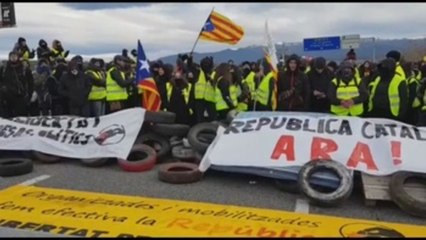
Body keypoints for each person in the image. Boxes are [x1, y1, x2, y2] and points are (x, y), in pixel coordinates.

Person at [0, 51, 33, 118]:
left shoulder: (24, 68)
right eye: (12, 56)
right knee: (5, 116)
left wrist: (30, 94)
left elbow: (30, 82)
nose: (13, 58)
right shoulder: (4, 68)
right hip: (6, 96)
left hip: (20, 96)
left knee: (21, 116)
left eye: (15, 56)